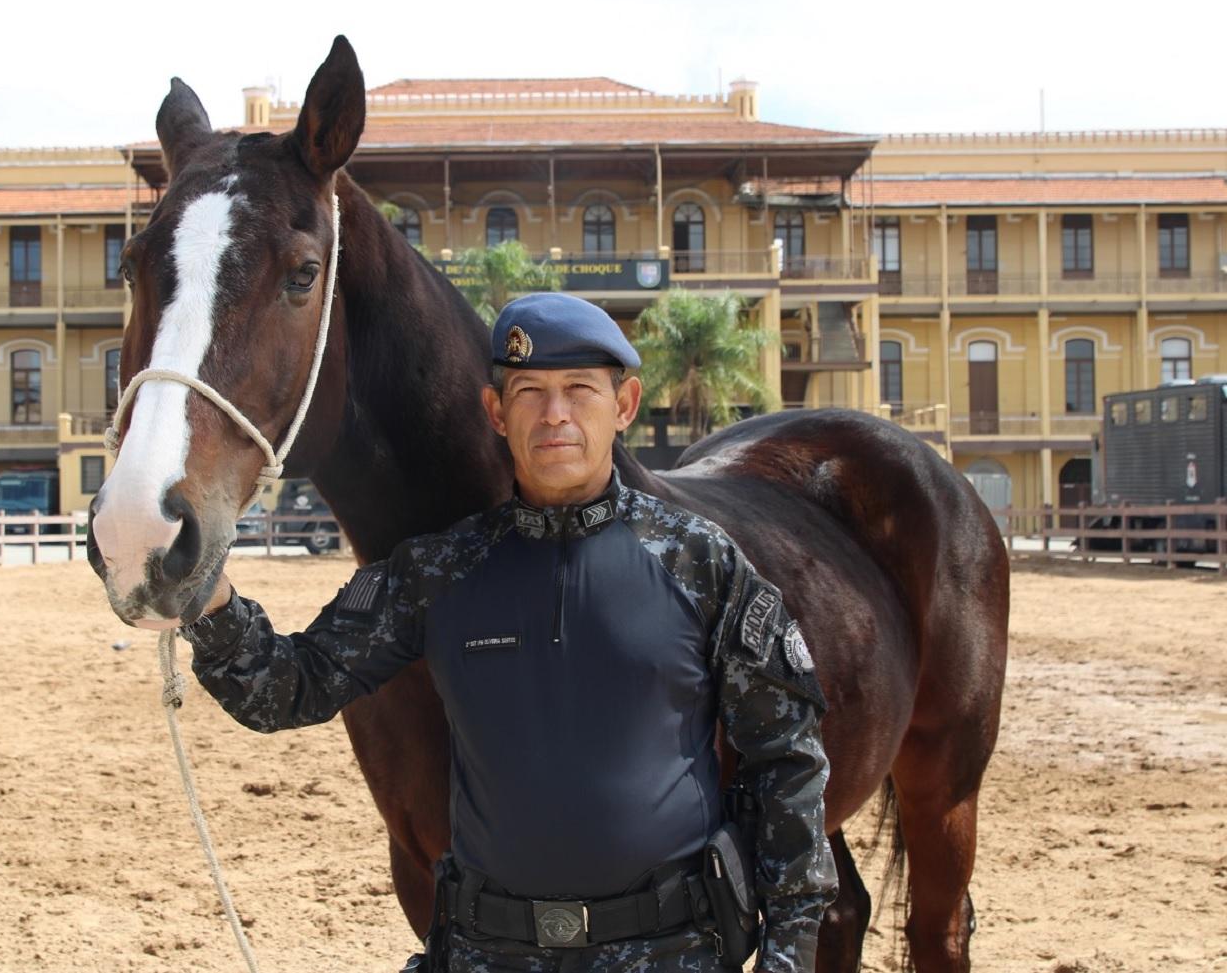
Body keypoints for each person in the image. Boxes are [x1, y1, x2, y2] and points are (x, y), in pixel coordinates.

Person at [184, 292, 837, 973]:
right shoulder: (440, 570)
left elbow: (785, 755)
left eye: (579, 389)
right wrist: (207, 596)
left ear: (625, 405)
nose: (555, 415)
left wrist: (788, 953)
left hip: (675, 951)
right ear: (496, 412)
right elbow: (286, 689)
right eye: (529, 392)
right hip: (489, 954)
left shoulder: (700, 561)